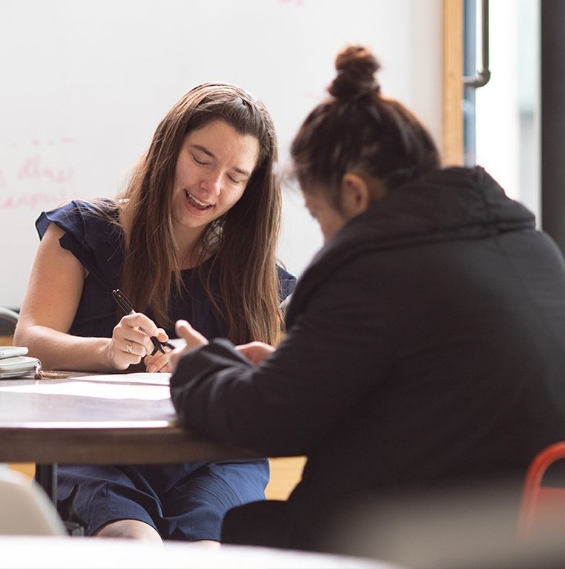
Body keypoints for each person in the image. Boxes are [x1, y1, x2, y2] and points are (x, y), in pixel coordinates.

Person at [167, 45, 565, 553]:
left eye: (318, 215)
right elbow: (437, 392)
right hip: (531, 531)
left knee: (244, 532)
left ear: (354, 193)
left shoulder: (376, 267)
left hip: (417, 534)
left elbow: (266, 420)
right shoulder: (532, 248)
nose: (326, 239)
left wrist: (199, 365)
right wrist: (293, 370)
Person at [13, 82, 296, 542]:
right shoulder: (84, 231)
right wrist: (107, 352)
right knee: (133, 541)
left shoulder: (255, 271)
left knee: (204, 546)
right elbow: (31, 340)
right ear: (169, 148)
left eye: (236, 177)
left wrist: (213, 366)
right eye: (201, 159)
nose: (212, 186)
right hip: (96, 450)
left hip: (213, 454)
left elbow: (262, 385)